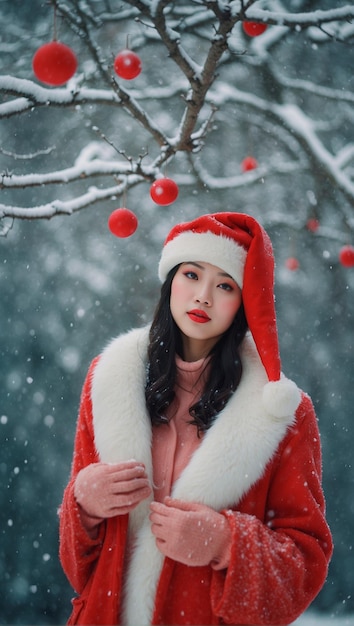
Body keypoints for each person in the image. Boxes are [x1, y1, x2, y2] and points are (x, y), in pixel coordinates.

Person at [59, 212, 333, 626]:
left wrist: (225, 542)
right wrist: (82, 505)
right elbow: (78, 568)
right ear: (170, 282)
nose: (203, 295)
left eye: (224, 285)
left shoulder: (282, 413)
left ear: (244, 302)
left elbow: (305, 564)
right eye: (191, 274)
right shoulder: (109, 380)